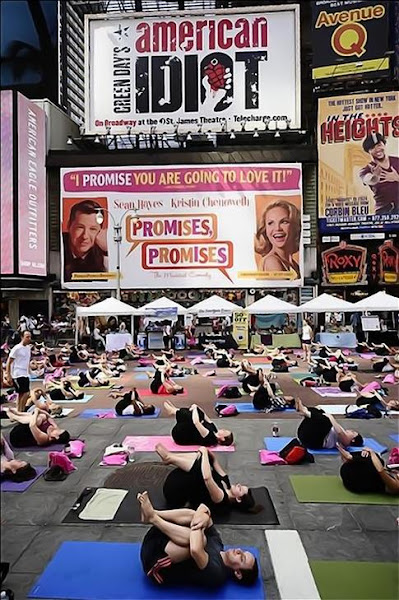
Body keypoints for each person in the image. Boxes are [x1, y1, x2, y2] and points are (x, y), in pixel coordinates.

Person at [138, 492, 258, 587]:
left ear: (237, 572)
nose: (238, 550)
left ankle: (153, 519)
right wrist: (203, 516)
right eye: (242, 551)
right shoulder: (218, 544)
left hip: (154, 563)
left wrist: (202, 519)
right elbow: (204, 507)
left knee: (199, 540)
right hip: (158, 536)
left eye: (241, 558)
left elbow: (195, 550)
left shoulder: (218, 574)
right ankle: (154, 513)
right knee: (194, 516)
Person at [157, 445, 260, 514]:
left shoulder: (222, 498)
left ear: (238, 499)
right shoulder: (227, 483)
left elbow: (207, 478)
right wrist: (207, 452)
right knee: (204, 459)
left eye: (240, 489)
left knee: (200, 468)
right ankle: (170, 456)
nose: (238, 485)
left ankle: (169, 458)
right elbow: (214, 461)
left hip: (174, 493)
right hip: (181, 479)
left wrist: (204, 454)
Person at [254, 200, 301, 278]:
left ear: (294, 226)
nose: (277, 228)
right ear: (265, 229)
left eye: (284, 222)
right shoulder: (271, 261)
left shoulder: (292, 263)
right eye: (271, 223)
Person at [63, 200, 107, 282]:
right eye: (80, 227)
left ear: (100, 231)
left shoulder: (105, 258)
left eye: (93, 229)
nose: (85, 236)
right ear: (69, 226)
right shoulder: (56, 250)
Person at [295, 398, 363, 450]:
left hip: (313, 441)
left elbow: (339, 432)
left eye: (353, 432)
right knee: (320, 411)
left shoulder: (346, 443)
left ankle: (306, 412)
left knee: (325, 420)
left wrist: (331, 417)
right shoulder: (342, 433)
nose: (351, 430)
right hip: (306, 434)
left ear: (353, 439)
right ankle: (304, 410)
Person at [359, 132, 399, 216]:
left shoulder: (397, 161)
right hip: (383, 212)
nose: (377, 149)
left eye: (379, 145)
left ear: (384, 145)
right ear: (368, 151)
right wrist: (375, 177)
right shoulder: (366, 170)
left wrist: (397, 178)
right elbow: (369, 179)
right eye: (372, 147)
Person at [164, 401, 234, 447]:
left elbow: (196, 422)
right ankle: (175, 410)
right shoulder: (215, 430)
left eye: (225, 431)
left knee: (190, 417)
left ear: (223, 439)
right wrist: (197, 407)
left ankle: (173, 411)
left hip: (179, 436)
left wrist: (194, 409)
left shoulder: (211, 438)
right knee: (199, 414)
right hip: (186, 430)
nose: (224, 429)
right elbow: (206, 417)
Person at [5, 407, 70, 448]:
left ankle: (14, 417)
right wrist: (40, 411)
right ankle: (18, 414)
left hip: (17, 436)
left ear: (56, 437)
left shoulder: (45, 438)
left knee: (38, 420)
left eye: (58, 431)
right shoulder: (54, 428)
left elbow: (32, 425)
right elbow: (49, 417)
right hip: (25, 426)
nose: (57, 429)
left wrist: (36, 412)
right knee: (42, 416)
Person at [4, 331, 32, 412]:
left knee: (21, 394)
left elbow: (26, 361)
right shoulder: (16, 348)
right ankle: (21, 410)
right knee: (26, 393)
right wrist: (8, 375)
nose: (29, 339)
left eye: (30, 337)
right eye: (27, 337)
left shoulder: (28, 348)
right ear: (22, 337)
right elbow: (9, 362)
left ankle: (19, 411)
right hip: (18, 373)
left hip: (25, 373)